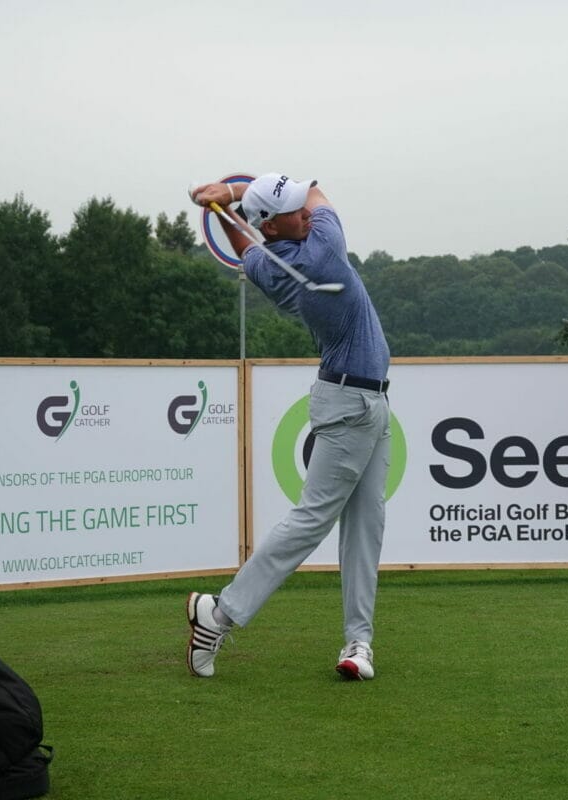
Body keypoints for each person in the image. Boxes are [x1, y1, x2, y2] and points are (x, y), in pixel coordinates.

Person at [185, 173, 391, 680]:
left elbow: (244, 247)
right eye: (293, 211)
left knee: (366, 524)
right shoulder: (322, 249)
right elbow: (317, 190)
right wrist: (232, 191)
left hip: (365, 401)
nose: (305, 211)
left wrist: (224, 204)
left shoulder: (269, 263)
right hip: (351, 404)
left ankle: (359, 641)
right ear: (274, 226)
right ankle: (220, 613)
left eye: (300, 207)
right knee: (312, 519)